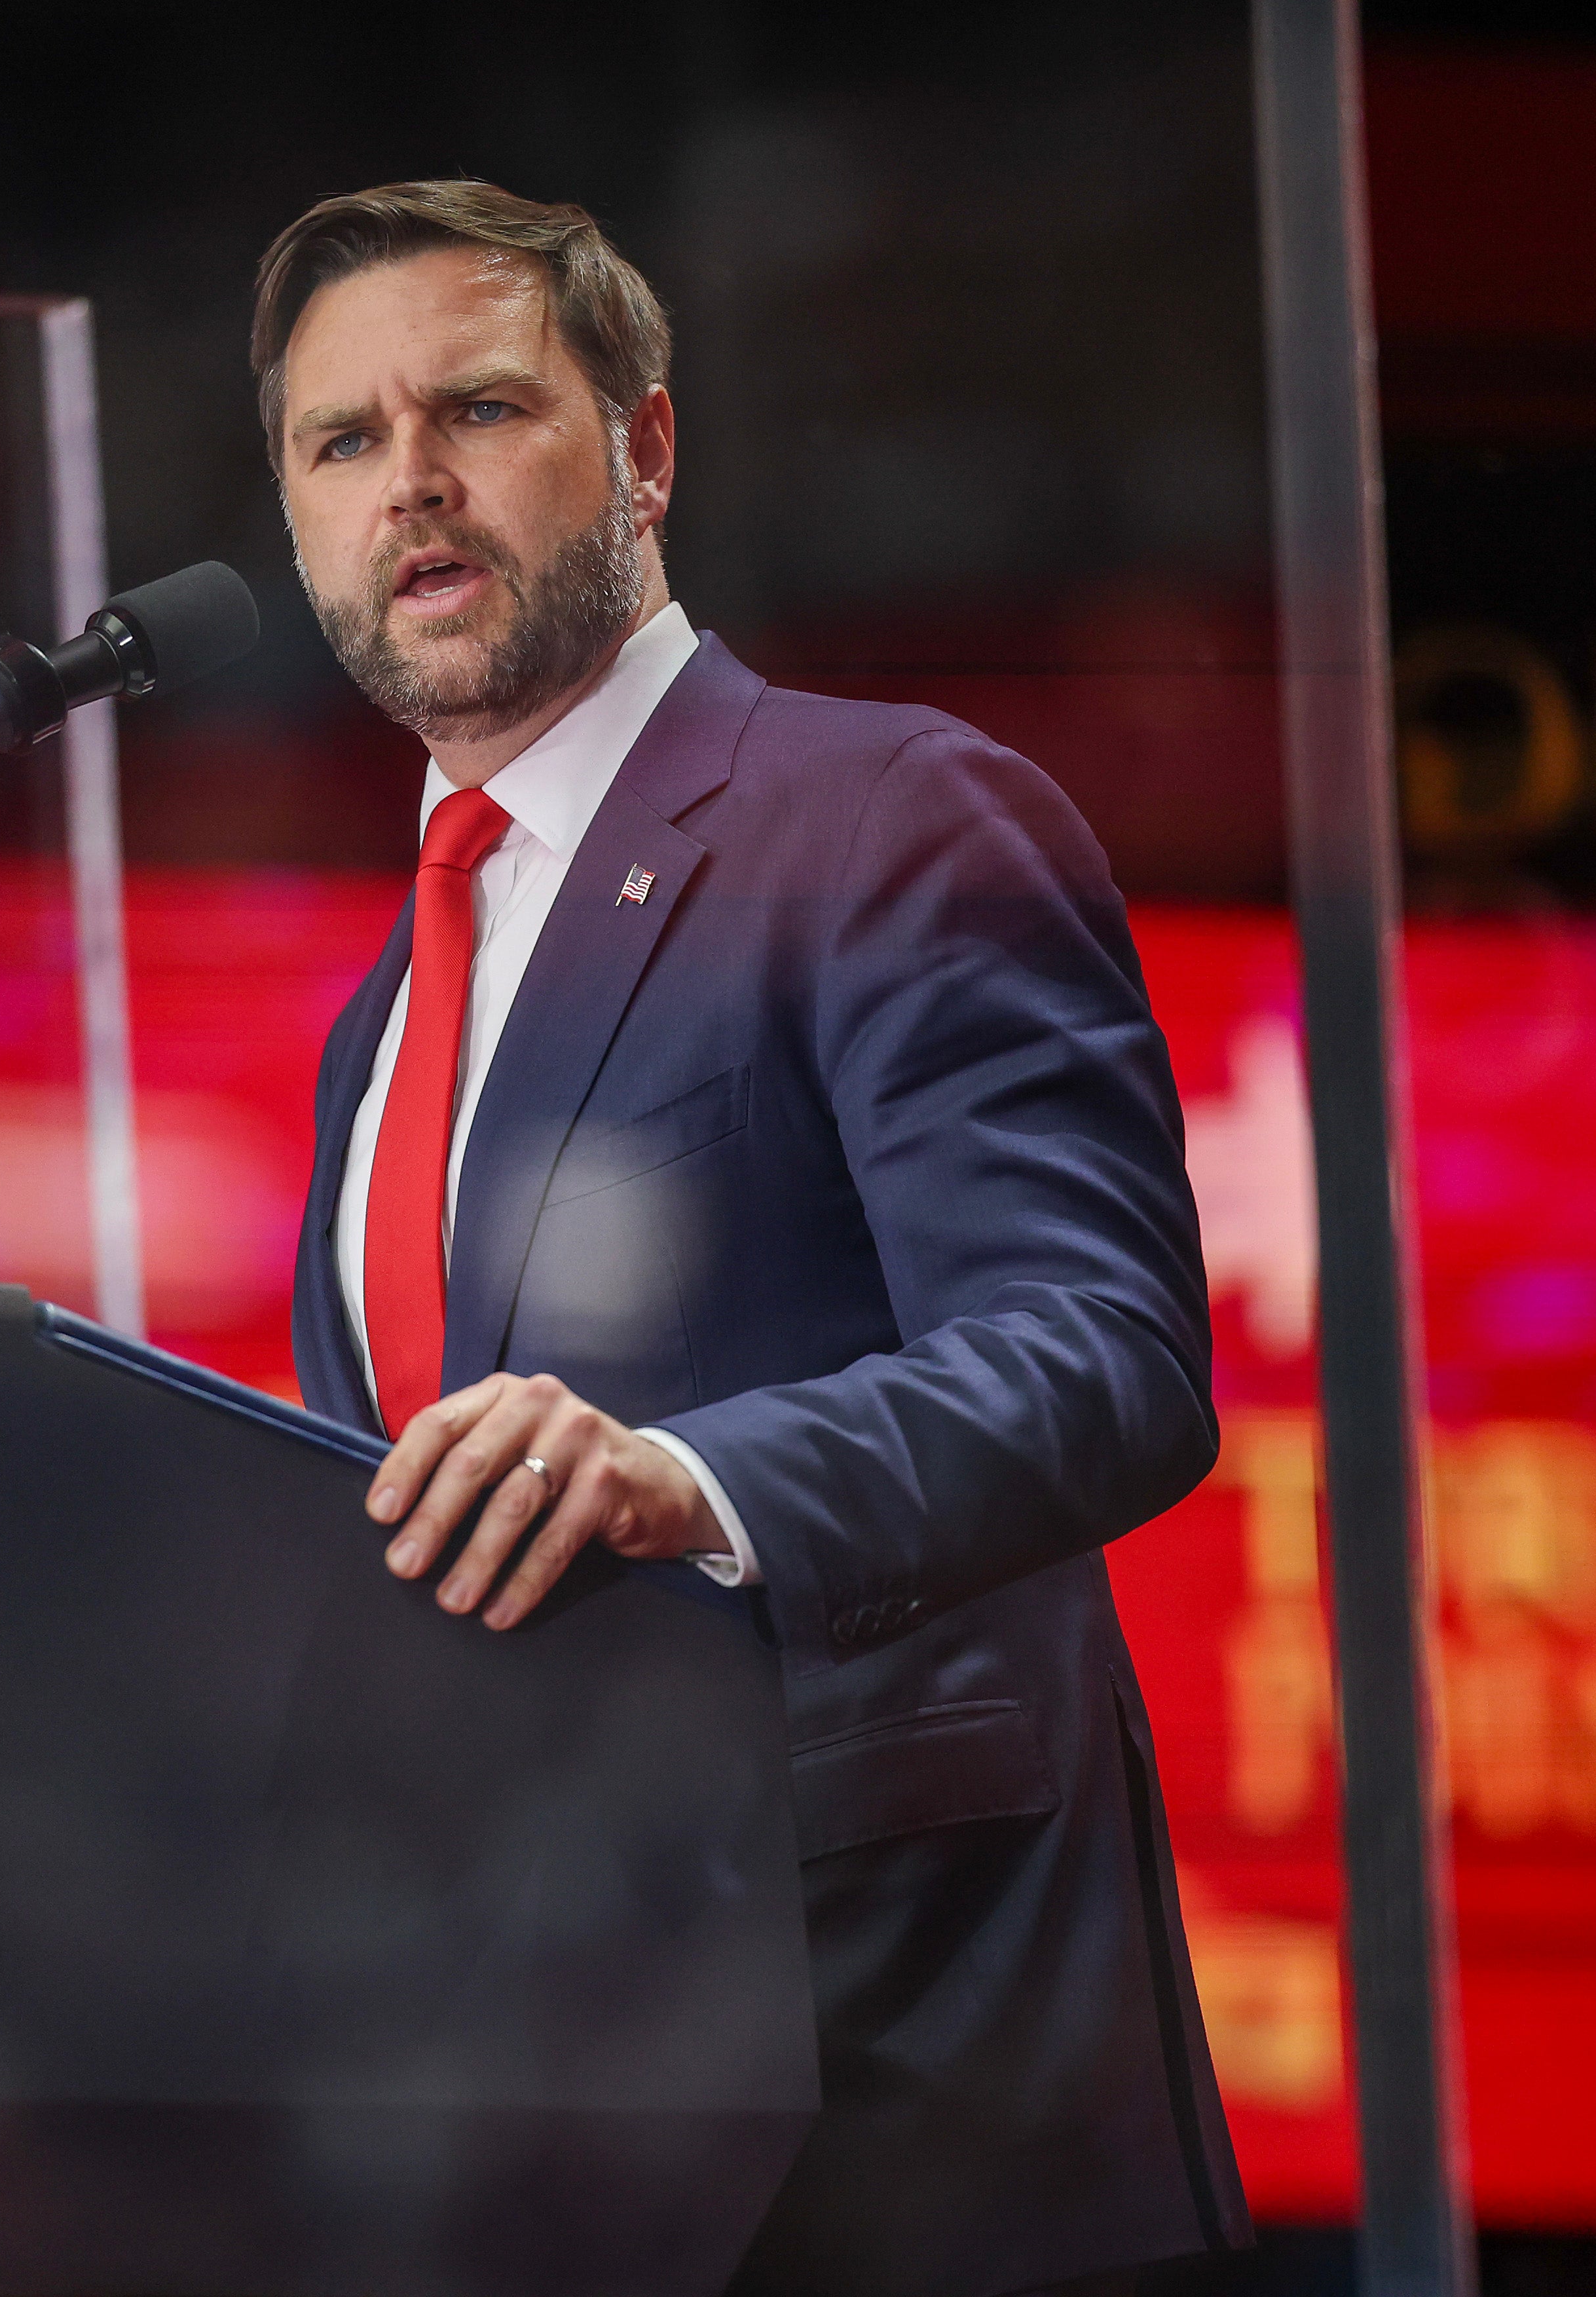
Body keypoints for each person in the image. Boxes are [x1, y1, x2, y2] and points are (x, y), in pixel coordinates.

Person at [259, 179, 1251, 2297]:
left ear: (647, 448)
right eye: (341, 441)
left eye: (482, 407)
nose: (409, 481)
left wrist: (681, 1480)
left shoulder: (887, 811)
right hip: (551, 2142)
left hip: (910, 2111)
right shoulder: (381, 1027)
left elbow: (1104, 1356)